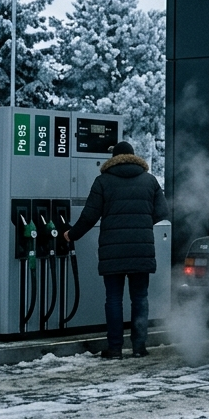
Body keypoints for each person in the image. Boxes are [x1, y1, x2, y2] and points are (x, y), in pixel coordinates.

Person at [66, 140, 170, 359]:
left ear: (114, 159)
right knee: (139, 298)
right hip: (141, 249)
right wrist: (142, 223)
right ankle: (139, 347)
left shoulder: (103, 181)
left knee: (113, 298)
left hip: (112, 250)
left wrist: (71, 235)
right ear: (133, 157)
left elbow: (89, 216)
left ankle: (114, 349)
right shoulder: (150, 181)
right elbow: (162, 211)